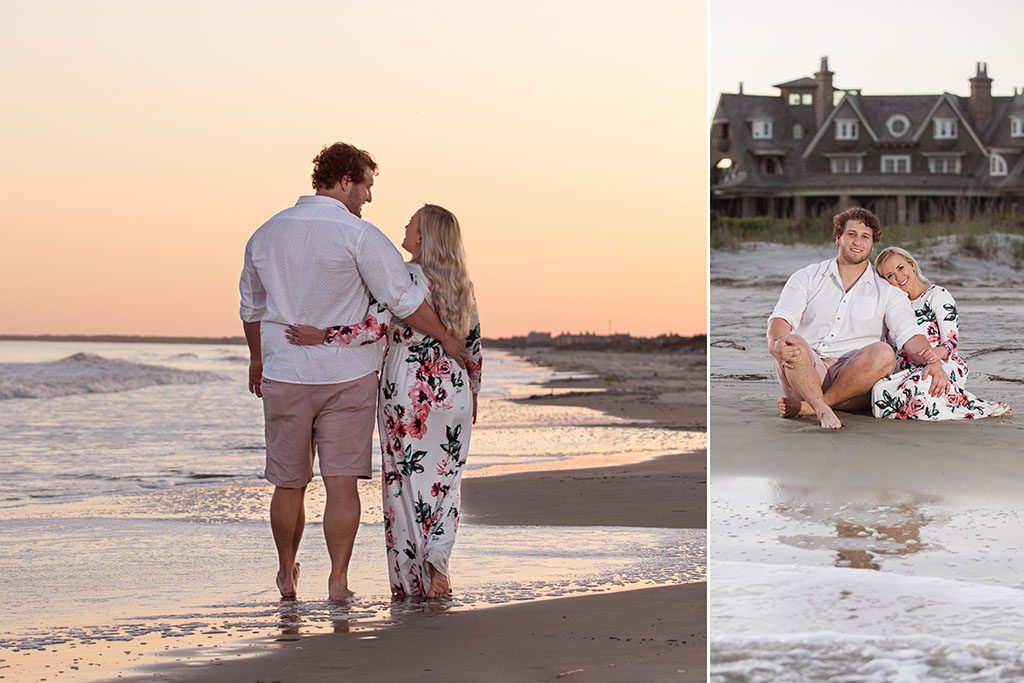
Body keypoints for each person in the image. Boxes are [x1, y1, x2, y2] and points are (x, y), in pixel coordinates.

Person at [239, 143, 468, 602]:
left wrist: (257, 358)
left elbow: (251, 306)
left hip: (286, 372)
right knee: (341, 483)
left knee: (289, 482)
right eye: (366, 186)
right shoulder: (361, 236)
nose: (368, 197)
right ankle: (338, 582)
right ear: (345, 181)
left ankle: (287, 575)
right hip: (348, 376)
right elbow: (403, 300)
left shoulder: (266, 234)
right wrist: (446, 335)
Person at [287, 204, 481, 600]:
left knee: (404, 483)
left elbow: (373, 327)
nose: (404, 228)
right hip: (454, 391)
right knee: (446, 482)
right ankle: (438, 561)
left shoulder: (406, 277)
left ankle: (412, 581)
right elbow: (474, 347)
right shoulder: (462, 284)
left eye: (411, 224)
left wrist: (320, 335)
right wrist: (473, 393)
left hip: (408, 390)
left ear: (424, 237)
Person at [768, 207, 950, 430]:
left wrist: (932, 360)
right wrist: (775, 344)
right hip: (805, 371)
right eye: (851, 234)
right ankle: (821, 407)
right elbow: (781, 319)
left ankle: (814, 406)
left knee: (884, 352)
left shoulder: (887, 291)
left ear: (872, 245)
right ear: (838, 238)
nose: (857, 242)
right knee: (791, 341)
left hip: (854, 383)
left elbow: (909, 334)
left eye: (865, 237)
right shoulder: (807, 277)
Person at [871, 247, 1011, 420]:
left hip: (944, 361)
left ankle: (979, 408)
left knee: (923, 384)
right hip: (907, 368)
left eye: (901, 268)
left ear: (911, 265)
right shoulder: (893, 305)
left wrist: (934, 357)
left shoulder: (937, 295)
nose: (899, 277)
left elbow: (951, 343)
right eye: (890, 275)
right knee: (880, 390)